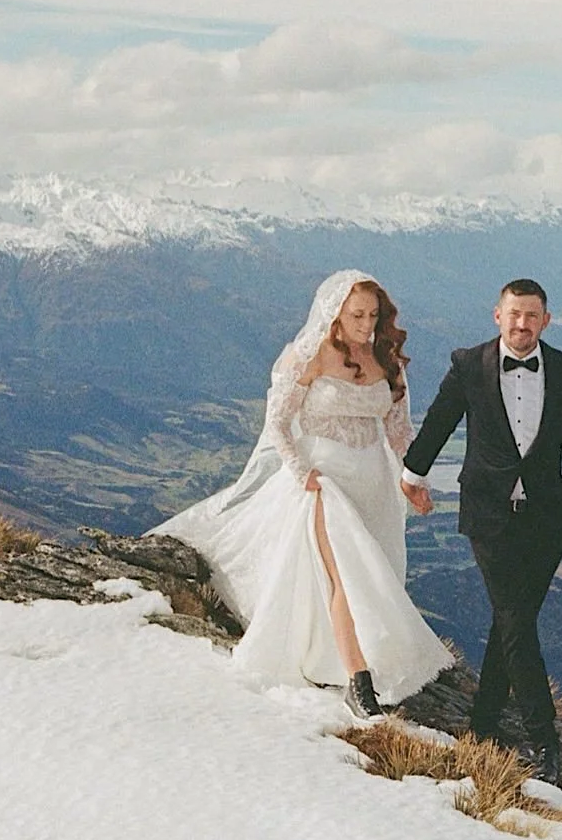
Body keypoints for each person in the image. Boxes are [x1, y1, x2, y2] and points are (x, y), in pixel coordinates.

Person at [149, 269, 451, 718]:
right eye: (356, 315)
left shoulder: (388, 359)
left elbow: (399, 432)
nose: (366, 324)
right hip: (324, 481)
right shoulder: (311, 354)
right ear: (335, 313)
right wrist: (300, 470)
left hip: (374, 484)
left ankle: (334, 658)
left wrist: (414, 482)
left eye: (373, 314)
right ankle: (359, 682)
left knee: (370, 574)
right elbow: (278, 420)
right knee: (346, 574)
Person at [399, 278, 562, 786]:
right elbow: (439, 422)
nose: (522, 324)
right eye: (514, 314)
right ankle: (544, 741)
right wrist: (411, 474)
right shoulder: (469, 364)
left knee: (512, 622)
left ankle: (483, 726)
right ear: (497, 315)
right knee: (514, 617)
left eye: (532, 315)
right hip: (488, 516)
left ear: (546, 321)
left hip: (549, 521)